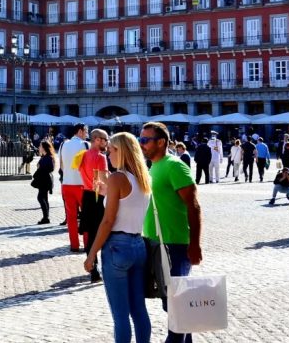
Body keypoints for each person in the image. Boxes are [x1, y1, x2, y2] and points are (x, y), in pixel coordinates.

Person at [85, 132, 152, 343]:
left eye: (111, 149)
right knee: (138, 309)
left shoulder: (117, 177)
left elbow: (107, 221)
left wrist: (91, 254)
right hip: (138, 244)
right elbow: (128, 203)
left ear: (121, 152)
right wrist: (107, 193)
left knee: (120, 314)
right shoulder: (143, 177)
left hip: (117, 247)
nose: (108, 153)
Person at [139, 122, 202, 343]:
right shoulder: (153, 166)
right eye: (141, 139)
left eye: (146, 140)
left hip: (174, 244)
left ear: (161, 142)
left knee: (176, 305)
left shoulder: (175, 166)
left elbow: (193, 206)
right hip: (156, 244)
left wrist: (194, 244)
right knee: (174, 305)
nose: (142, 144)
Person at [79, 129, 109, 283]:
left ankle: (93, 268)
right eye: (105, 139)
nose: (106, 142)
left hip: (86, 195)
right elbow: (103, 180)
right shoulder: (101, 157)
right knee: (103, 231)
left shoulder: (82, 155)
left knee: (90, 234)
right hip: (98, 196)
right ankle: (105, 267)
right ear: (97, 140)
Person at [58, 124, 89, 251]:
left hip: (66, 184)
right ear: (80, 131)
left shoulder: (63, 144)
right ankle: (87, 243)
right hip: (82, 185)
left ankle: (74, 244)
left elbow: (61, 166)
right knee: (86, 216)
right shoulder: (85, 145)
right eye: (86, 131)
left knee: (71, 216)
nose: (87, 134)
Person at [32, 141, 55, 224]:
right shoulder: (44, 156)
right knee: (44, 198)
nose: (39, 147)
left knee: (40, 198)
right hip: (42, 179)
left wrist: (41, 168)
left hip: (45, 180)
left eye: (40, 146)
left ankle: (46, 217)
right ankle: (46, 217)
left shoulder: (49, 157)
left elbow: (51, 168)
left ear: (44, 147)